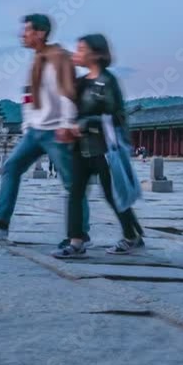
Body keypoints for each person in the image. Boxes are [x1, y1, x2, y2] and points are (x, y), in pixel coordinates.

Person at [0, 13, 90, 247]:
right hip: (35, 131)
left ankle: (80, 233)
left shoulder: (59, 58)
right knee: (11, 168)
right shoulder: (38, 60)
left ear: (41, 33)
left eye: (27, 30)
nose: (22, 35)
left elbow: (67, 93)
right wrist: (27, 126)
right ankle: (1, 222)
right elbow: (29, 98)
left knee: (71, 182)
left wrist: (67, 123)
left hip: (56, 130)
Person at [53, 34, 145, 258]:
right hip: (80, 147)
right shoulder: (82, 83)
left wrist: (85, 124)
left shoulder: (108, 82)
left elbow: (116, 117)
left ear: (96, 54)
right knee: (75, 193)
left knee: (111, 193)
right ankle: (76, 241)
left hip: (103, 147)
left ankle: (131, 235)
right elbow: (69, 105)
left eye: (81, 49)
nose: (77, 53)